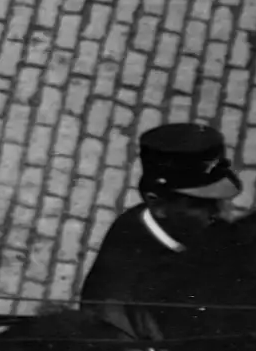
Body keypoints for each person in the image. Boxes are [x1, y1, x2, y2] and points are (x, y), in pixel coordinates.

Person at [76, 121, 242, 310]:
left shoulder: (200, 228)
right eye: (199, 205)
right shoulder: (121, 292)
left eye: (220, 200)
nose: (221, 213)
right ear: (158, 205)